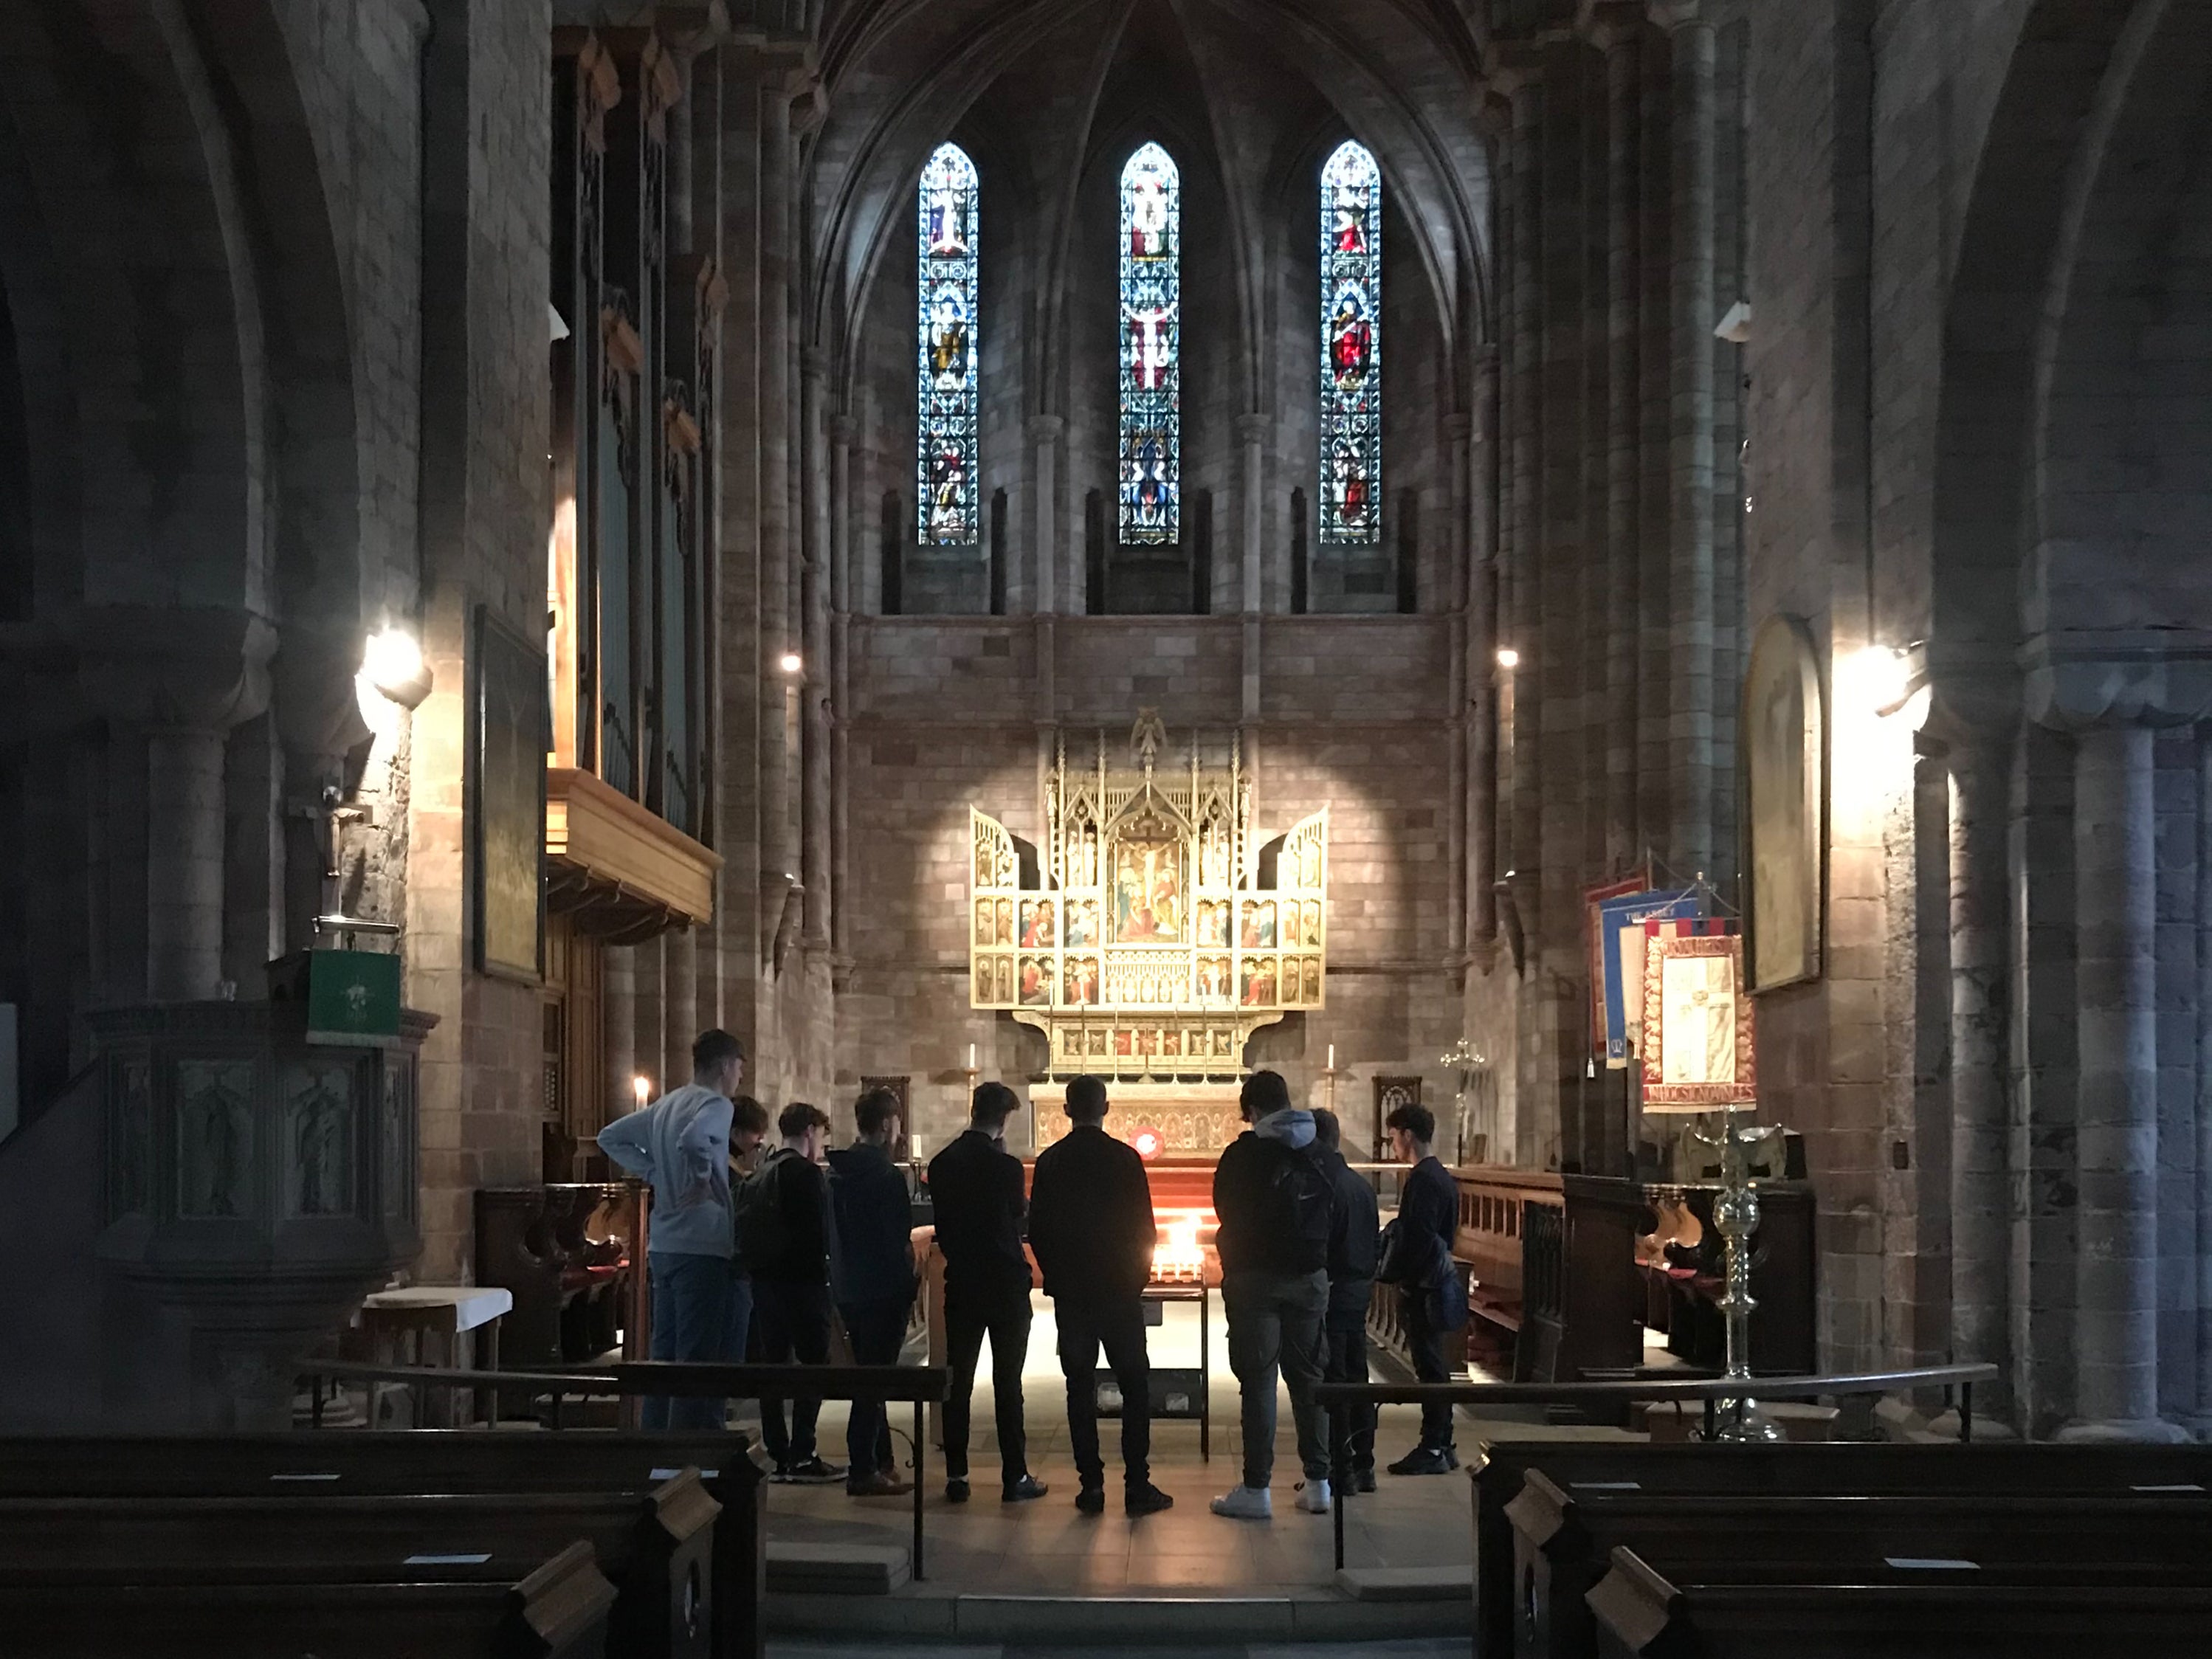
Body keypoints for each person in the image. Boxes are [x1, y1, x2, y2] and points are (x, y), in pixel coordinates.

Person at [1027, 1075, 1174, 1517]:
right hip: (1119, 1290)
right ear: (1105, 1109)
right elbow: (1144, 1228)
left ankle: (1091, 1486)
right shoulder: (1125, 1159)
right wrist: (1136, 1278)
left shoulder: (1051, 1161)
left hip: (1073, 1294)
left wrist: (1057, 1277)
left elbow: (1038, 1231)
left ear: (1067, 1110)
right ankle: (1137, 1484)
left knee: (1079, 1386)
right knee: (1134, 1385)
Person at [596, 1030, 746, 1432]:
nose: (739, 1079)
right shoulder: (716, 1104)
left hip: (663, 1245)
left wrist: (655, 1173)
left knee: (663, 1352)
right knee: (697, 1359)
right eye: (739, 1069)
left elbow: (609, 1137)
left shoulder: (667, 1104)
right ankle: (685, 1457)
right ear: (725, 1066)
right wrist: (701, 1176)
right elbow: (694, 1139)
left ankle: (654, 1450)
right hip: (702, 1244)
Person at [1209, 1069, 1335, 1521]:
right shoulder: (1319, 1150)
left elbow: (1222, 1206)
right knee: (1309, 1379)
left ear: (1254, 1111)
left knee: (1259, 1381)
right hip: (1309, 1278)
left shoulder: (1243, 1155)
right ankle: (1319, 1483)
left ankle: (1257, 1488)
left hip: (1255, 1278)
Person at [926, 1082, 1047, 1503]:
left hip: (962, 1281)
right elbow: (1017, 1219)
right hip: (1004, 1283)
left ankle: (957, 1476)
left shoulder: (942, 1163)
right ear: (1005, 1120)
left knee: (957, 1381)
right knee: (1007, 1382)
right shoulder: (1006, 1167)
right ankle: (1014, 1476)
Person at [745, 1102, 844, 1483]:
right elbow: (819, 1236)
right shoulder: (806, 1175)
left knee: (773, 1368)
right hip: (803, 1286)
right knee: (813, 1369)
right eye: (820, 1135)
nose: (820, 1143)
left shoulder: (762, 1170)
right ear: (809, 1132)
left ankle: (777, 1451)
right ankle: (804, 1452)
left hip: (765, 1285)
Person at [827, 1088, 918, 1497]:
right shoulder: (884, 1176)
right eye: (896, 1123)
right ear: (886, 1124)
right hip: (882, 1290)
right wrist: (909, 1282)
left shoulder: (837, 1171)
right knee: (873, 1383)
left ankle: (882, 1461)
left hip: (848, 1287)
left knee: (867, 1375)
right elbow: (897, 1239)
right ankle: (862, 1468)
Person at [1381, 1102, 1467, 1475]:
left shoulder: (1425, 1179)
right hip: (1430, 1281)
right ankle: (1441, 1443)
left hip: (1425, 1286)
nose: (1392, 1144)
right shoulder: (1438, 1176)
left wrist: (1394, 1269)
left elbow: (1420, 1237)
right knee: (1433, 1367)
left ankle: (1434, 1445)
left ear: (1408, 1135)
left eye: (1394, 1136)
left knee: (1431, 1368)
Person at [1311, 1108, 1379, 1492]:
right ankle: (1364, 1464)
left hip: (1334, 1291)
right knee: (1358, 1377)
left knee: (1334, 1381)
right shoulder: (1360, 1185)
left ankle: (1341, 1470)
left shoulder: (1325, 1185)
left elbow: (1322, 1244)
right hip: (1359, 1291)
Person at [725, 1095, 772, 1366]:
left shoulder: (733, 1163)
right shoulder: (727, 1167)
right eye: (756, 1133)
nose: (760, 1140)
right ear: (736, 1132)